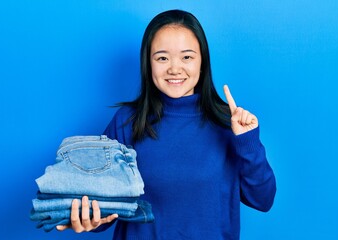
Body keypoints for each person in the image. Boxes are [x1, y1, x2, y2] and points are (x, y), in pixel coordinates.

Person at [57, 9, 276, 239]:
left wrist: (248, 142)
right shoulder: (127, 121)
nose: (174, 68)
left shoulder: (228, 125)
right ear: (148, 63)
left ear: (202, 62)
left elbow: (263, 200)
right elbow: (104, 209)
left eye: (187, 57)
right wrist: (88, 219)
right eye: (162, 57)